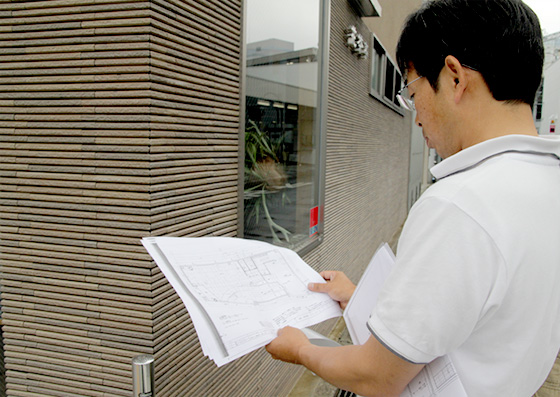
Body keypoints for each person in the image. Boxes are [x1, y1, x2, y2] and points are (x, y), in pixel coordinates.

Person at [265, 0, 560, 396]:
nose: (415, 114)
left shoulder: (459, 204)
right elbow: (464, 315)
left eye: (413, 89)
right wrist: (356, 298)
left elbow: (377, 376)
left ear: (454, 77)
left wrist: (301, 348)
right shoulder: (546, 182)